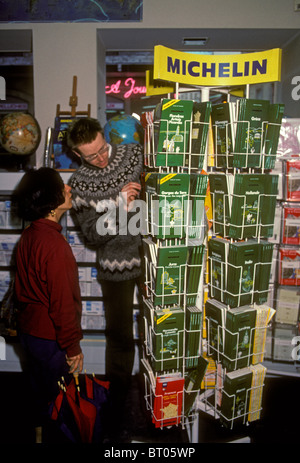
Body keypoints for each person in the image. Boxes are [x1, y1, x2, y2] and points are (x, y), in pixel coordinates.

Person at [66, 117, 144, 442]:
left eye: (102, 150)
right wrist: (118, 207)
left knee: (162, 329)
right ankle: (117, 411)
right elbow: (92, 236)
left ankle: (162, 397)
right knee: (120, 337)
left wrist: (143, 197)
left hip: (155, 255)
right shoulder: (79, 183)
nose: (101, 159)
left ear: (104, 138)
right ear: (77, 155)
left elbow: (163, 195)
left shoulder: (134, 154)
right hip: (115, 266)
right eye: (92, 156)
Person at [13, 167, 83, 442]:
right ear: (51, 200)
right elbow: (62, 303)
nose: (68, 189)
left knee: (41, 394)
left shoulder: (30, 235)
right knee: (61, 404)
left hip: (31, 333)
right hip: (51, 338)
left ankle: (40, 435)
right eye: (62, 187)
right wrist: (73, 346)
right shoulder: (53, 244)